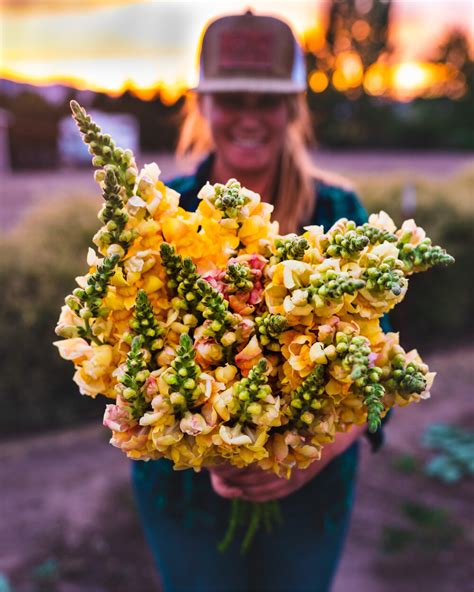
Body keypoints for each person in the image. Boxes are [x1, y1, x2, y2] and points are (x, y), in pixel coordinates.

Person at [132, 11, 388, 592]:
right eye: (231, 98)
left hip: (310, 489)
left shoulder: (337, 213)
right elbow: (128, 353)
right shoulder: (164, 213)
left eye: (266, 100)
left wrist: (307, 455)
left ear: (294, 108)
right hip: (187, 486)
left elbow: (381, 368)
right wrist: (196, 431)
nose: (249, 117)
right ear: (202, 105)